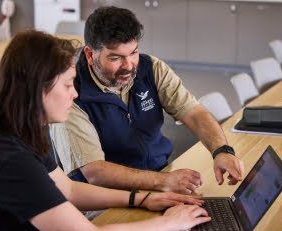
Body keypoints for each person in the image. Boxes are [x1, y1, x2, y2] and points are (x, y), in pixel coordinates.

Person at [0, 30, 211, 231]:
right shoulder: (6, 156)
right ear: (38, 88)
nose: (75, 94)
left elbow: (66, 188)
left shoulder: (21, 129)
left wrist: (143, 199)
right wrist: (169, 223)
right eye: (68, 85)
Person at [50, 6, 244, 194]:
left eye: (133, 52)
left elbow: (193, 112)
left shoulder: (151, 68)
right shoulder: (71, 93)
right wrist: (164, 182)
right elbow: (95, 172)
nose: (129, 66)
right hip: (106, 196)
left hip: (160, 178)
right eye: (116, 58)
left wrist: (222, 150)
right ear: (90, 55)